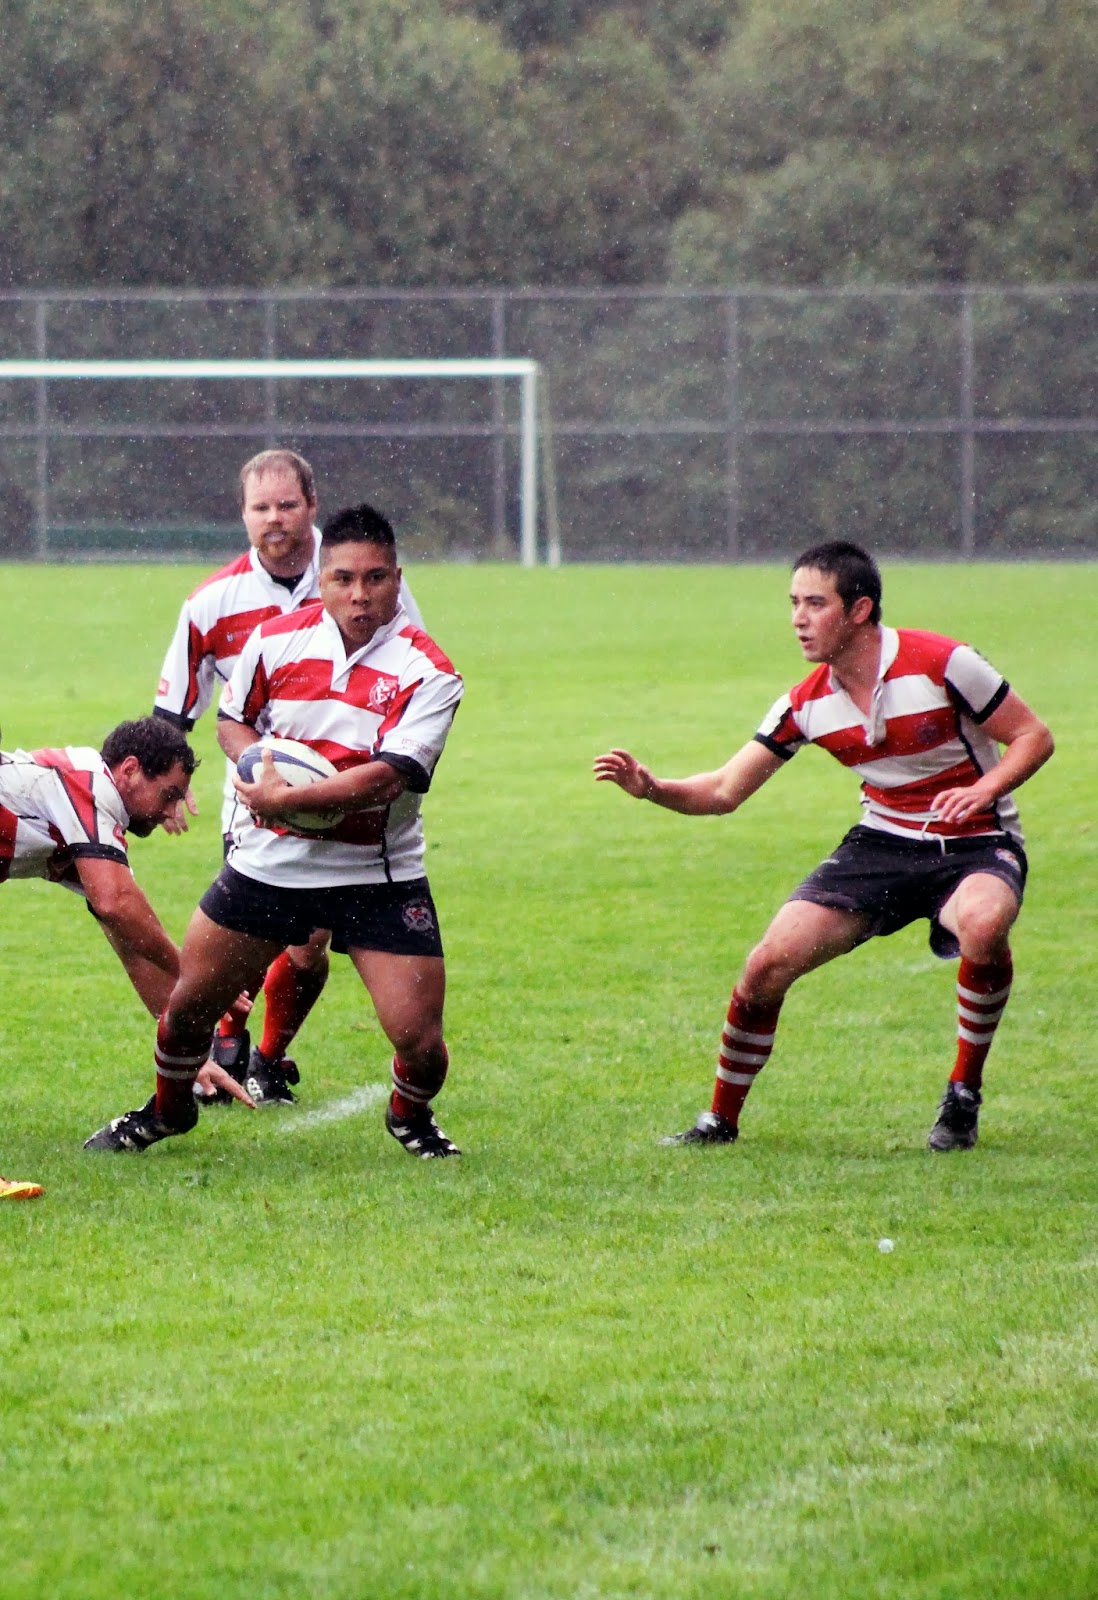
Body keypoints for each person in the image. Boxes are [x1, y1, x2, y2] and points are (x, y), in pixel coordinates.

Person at [594, 541, 1054, 1153]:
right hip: (880, 844)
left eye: (815, 604)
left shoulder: (945, 663)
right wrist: (652, 788)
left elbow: (1032, 737)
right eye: (793, 604)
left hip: (974, 841)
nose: (798, 619)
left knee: (983, 922)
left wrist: (984, 789)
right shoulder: (805, 703)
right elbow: (726, 790)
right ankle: (719, 1123)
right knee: (765, 966)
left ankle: (962, 1092)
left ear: (859, 610)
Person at [86, 504, 464, 1159]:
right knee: (184, 1014)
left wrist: (291, 798)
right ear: (322, 578)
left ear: (398, 580)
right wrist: (254, 762)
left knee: (421, 1044)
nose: (359, 594)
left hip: (375, 873)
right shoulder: (273, 641)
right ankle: (168, 1112)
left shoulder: (430, 672)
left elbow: (386, 778)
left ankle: (410, 1116)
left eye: (375, 579)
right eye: (343, 577)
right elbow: (231, 720)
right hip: (269, 866)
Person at [153, 448, 423, 1108]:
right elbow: (176, 710)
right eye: (261, 507)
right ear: (244, 515)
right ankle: (227, 1041)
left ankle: (267, 1058)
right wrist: (168, 785)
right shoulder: (212, 602)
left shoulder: (358, 575)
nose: (276, 519)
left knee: (307, 949)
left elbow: (412, 667)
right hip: (252, 803)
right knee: (246, 946)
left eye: (288, 504)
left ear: (311, 505)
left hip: (346, 796)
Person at [0, 716, 247, 1194]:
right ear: (130, 769)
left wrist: (186, 1054)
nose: (170, 810)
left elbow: (127, 938)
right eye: (169, 794)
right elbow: (118, 903)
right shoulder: (87, 787)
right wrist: (193, 975)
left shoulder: (86, 815)